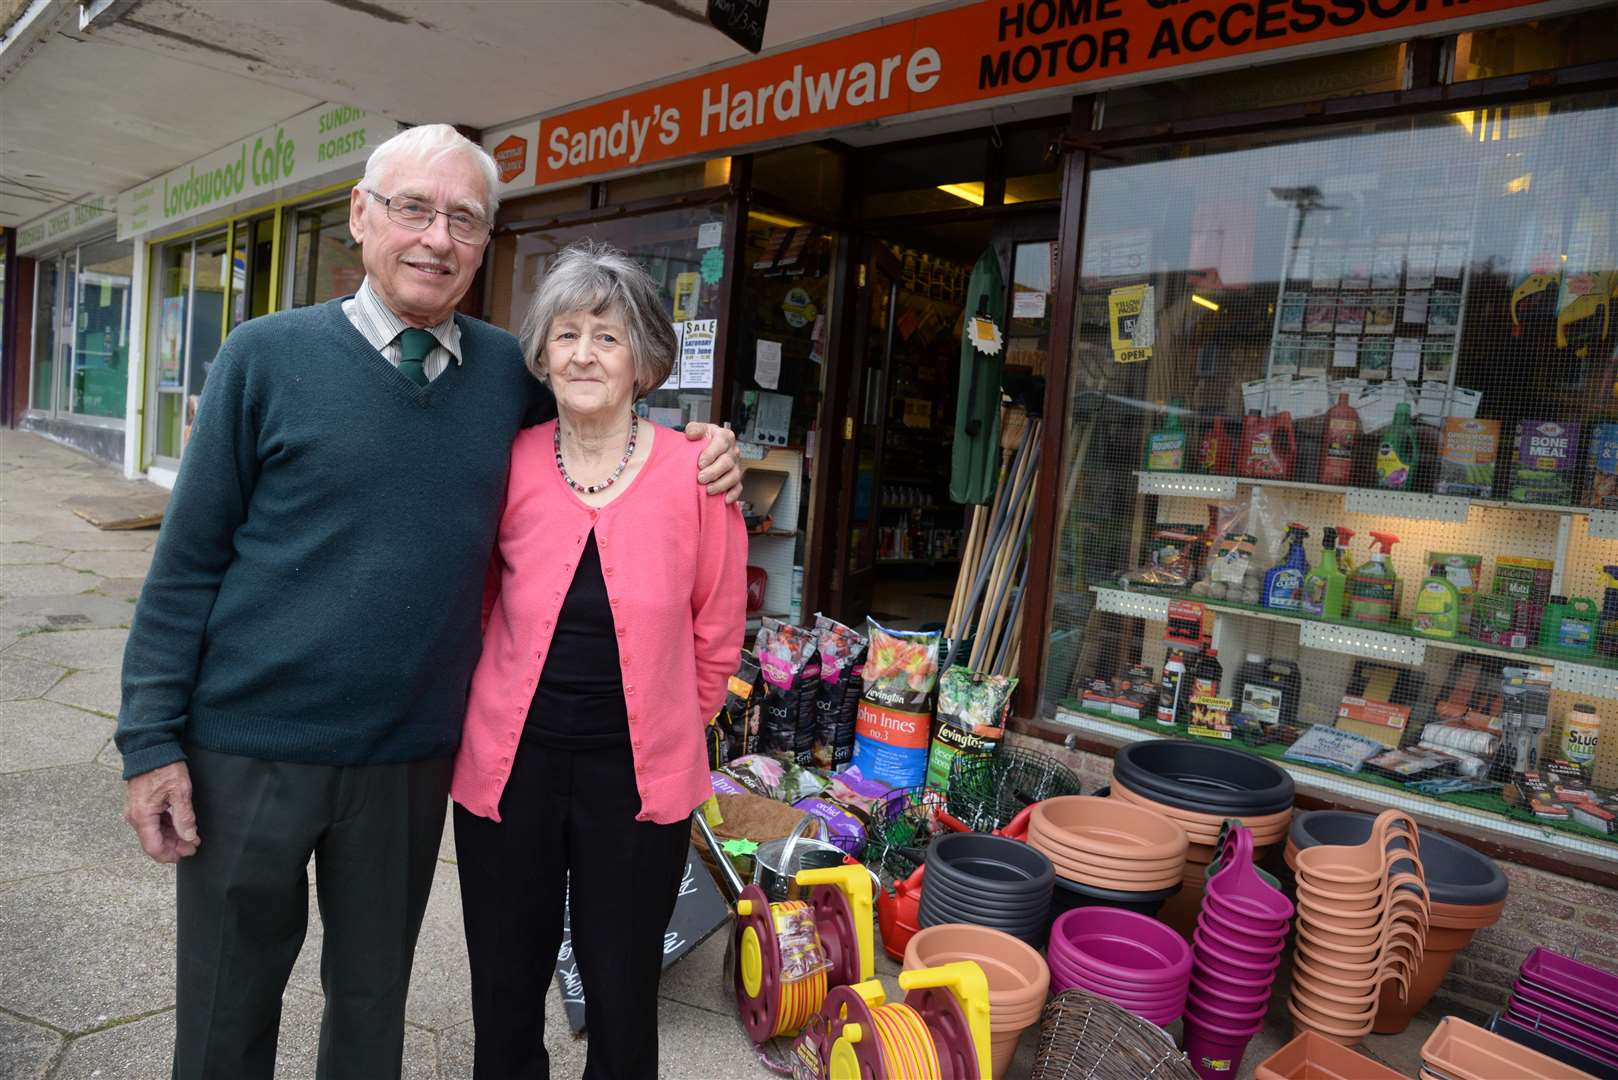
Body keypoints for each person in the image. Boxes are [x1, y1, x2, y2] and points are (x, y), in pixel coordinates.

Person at [113, 126, 742, 1080]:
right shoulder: (264, 356)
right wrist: (150, 739)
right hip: (251, 748)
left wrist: (710, 447)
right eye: (413, 207)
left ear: (484, 244)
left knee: (372, 1013)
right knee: (224, 1007)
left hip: (405, 762)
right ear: (361, 215)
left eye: (463, 219)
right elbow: (188, 560)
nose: (435, 237)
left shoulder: (506, 379)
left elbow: (602, 420)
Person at [451, 241, 746, 1080]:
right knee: (503, 983)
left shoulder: (700, 474)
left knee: (622, 991)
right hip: (510, 768)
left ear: (646, 359)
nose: (584, 352)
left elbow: (718, 627)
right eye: (569, 333)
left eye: (609, 337)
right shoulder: (505, 464)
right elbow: (476, 603)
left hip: (637, 776)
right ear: (541, 352)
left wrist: (676, 727)